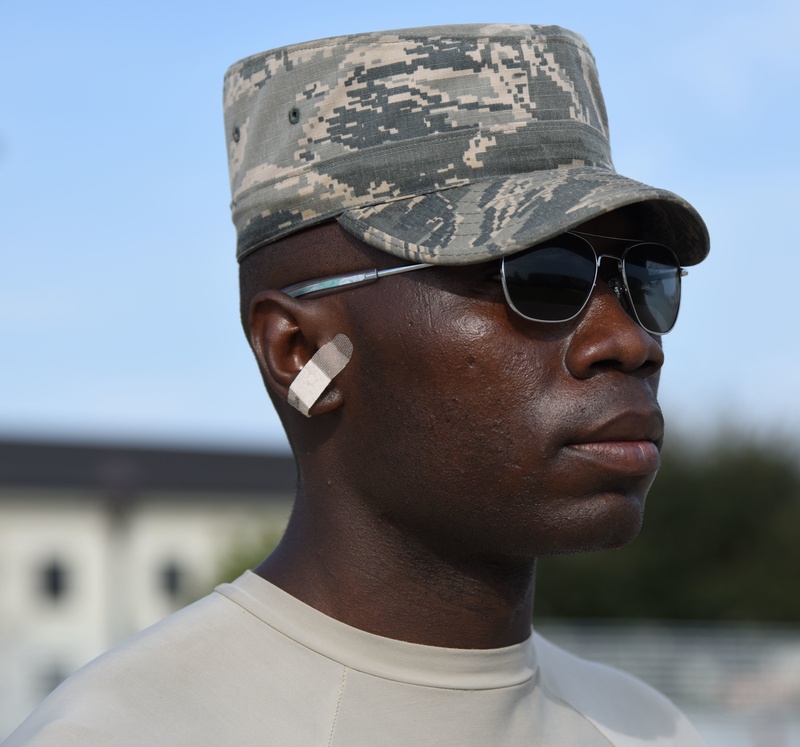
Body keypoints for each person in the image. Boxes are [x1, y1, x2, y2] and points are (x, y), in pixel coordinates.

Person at [4, 23, 710, 746]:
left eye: (644, 277)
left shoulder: (653, 729)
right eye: (539, 274)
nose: (630, 341)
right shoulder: (119, 733)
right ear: (298, 347)